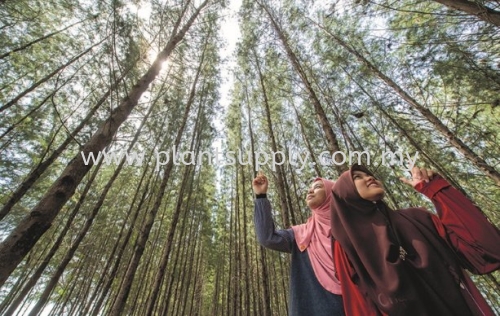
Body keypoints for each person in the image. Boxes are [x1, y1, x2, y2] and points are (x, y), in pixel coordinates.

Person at [330, 164, 500, 316]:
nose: (369, 177)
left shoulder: (418, 218)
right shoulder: (346, 244)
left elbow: (484, 250)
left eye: (368, 174)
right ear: (345, 194)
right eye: (357, 177)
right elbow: (359, 302)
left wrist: (435, 189)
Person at [252, 171, 345, 316]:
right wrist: (261, 196)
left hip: (353, 305)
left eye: (318, 187)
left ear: (330, 196)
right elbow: (267, 238)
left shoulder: (350, 230)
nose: (310, 190)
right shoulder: (301, 235)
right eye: (310, 187)